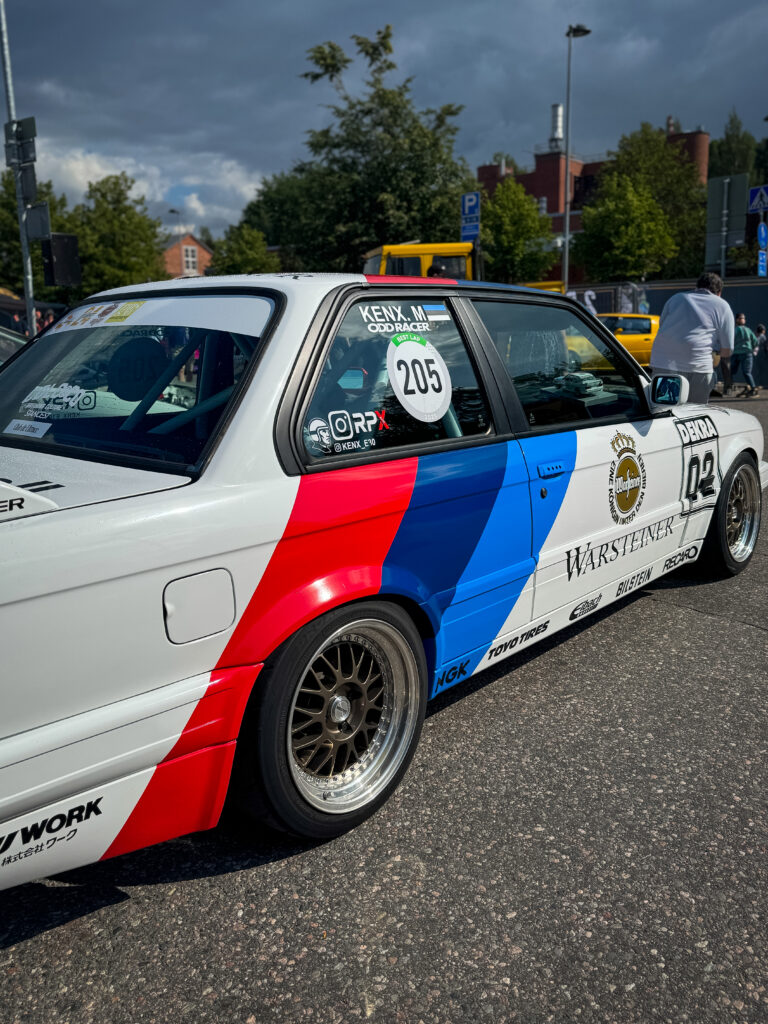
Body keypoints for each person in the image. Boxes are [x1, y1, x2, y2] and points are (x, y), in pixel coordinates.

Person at [650, 272, 734, 405]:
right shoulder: (722, 305)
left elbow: (662, 325)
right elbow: (727, 350)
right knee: (695, 409)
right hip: (698, 365)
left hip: (663, 363)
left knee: (663, 408)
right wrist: (716, 351)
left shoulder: (676, 298)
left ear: (696, 287)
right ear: (719, 292)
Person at [731, 312, 758, 397]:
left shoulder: (734, 330)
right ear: (737, 320)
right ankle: (752, 389)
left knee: (731, 371)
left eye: (744, 318)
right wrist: (751, 348)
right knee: (746, 372)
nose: (743, 319)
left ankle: (729, 387)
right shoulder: (748, 330)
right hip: (746, 353)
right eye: (741, 318)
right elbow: (755, 342)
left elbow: (729, 341)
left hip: (737, 354)